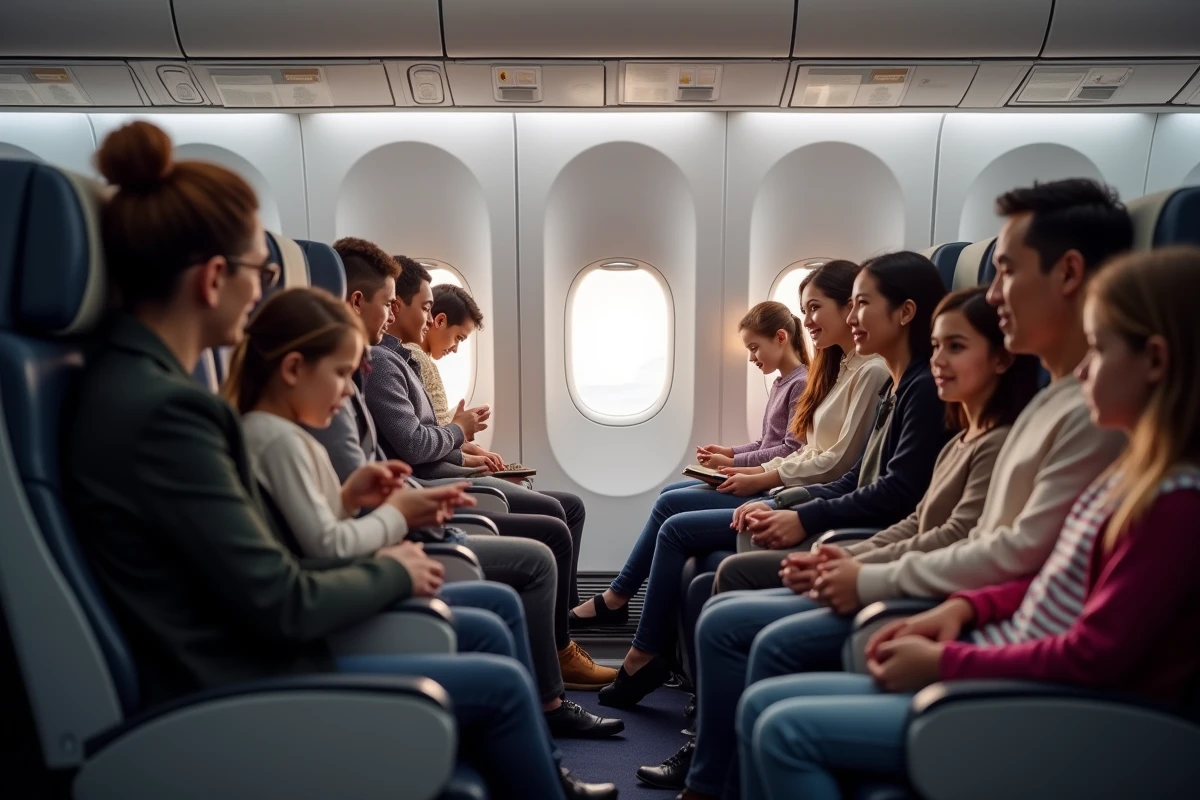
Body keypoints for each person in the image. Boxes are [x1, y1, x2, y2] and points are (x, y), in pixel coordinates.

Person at [64, 120, 616, 799]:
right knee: (499, 684)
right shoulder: (167, 413)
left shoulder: (132, 387)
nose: (263, 292)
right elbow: (283, 603)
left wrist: (354, 506)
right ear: (213, 278)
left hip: (234, 643)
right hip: (228, 680)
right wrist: (393, 567)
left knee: (483, 631)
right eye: (260, 273)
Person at [739, 246, 1200, 800]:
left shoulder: (1174, 506)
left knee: (783, 728)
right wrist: (966, 607)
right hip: (1006, 660)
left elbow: (1092, 654)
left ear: (1153, 361)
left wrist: (946, 659)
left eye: (1098, 350)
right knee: (765, 705)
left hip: (1053, 708)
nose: (1081, 370)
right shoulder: (1128, 480)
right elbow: (1050, 583)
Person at [639, 287, 1040, 796]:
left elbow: (934, 524)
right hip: (869, 546)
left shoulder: (925, 402)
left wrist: (830, 540)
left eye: (955, 347)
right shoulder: (952, 427)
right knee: (694, 551)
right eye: (937, 348)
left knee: (706, 569)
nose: (849, 317)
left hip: (905, 582)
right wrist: (836, 545)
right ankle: (708, 748)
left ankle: (700, 750)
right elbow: (910, 515)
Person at [594, 252, 949, 711]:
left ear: (902, 312)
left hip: (833, 515)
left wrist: (779, 491)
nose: (812, 322)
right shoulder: (854, 372)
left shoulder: (889, 379)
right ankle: (673, 675)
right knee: (673, 510)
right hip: (808, 496)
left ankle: (643, 645)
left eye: (822, 308)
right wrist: (764, 479)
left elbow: (847, 469)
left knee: (676, 526)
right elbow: (833, 462)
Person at [308, 238, 619, 700]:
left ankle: (556, 655)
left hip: (417, 499)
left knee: (558, 513)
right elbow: (412, 450)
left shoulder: (389, 366)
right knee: (552, 527)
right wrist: (458, 440)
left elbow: (397, 461)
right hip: (418, 504)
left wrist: (466, 452)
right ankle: (554, 666)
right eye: (390, 304)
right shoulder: (375, 370)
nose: (392, 315)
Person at [570, 261, 889, 632]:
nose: (809, 320)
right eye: (805, 310)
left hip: (799, 492)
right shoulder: (836, 370)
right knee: (671, 496)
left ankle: (623, 608)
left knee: (672, 509)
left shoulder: (862, 374)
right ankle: (626, 610)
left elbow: (826, 460)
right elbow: (803, 449)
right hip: (785, 481)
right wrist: (742, 463)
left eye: (815, 308)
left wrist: (758, 476)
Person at [694, 301, 809, 472]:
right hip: (759, 473)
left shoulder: (800, 384)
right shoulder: (779, 384)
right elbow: (765, 443)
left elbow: (791, 450)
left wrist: (731, 463)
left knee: (670, 499)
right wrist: (729, 453)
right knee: (670, 492)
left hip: (769, 480)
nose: (751, 358)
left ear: (780, 338)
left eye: (754, 348)